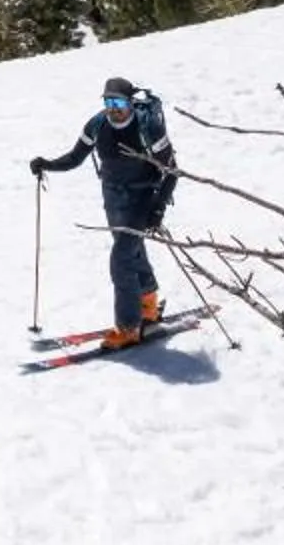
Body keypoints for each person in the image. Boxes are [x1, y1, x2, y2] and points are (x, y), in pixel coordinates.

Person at [28, 76, 179, 345]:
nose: (113, 108)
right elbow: (75, 157)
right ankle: (148, 308)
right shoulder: (98, 124)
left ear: (130, 102)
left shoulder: (149, 126)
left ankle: (129, 327)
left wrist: (158, 209)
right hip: (113, 196)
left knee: (120, 259)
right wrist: (47, 164)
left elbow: (171, 170)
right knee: (131, 252)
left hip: (143, 196)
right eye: (108, 101)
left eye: (118, 101)